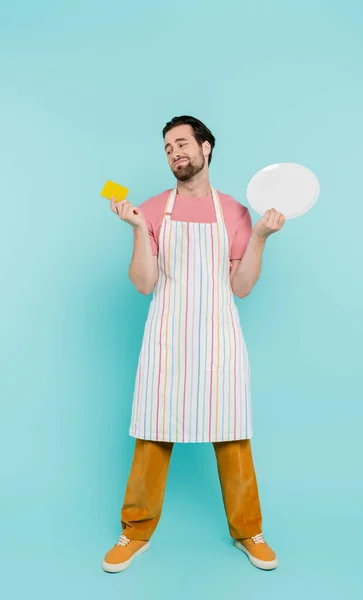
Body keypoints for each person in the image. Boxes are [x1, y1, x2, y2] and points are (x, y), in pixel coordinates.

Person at [102, 116, 286, 573]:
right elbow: (143, 283)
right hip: (167, 338)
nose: (174, 152)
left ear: (206, 147)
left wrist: (260, 237)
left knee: (232, 437)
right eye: (167, 148)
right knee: (152, 436)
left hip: (219, 340)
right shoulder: (150, 209)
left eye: (182, 143)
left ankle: (249, 532)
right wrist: (136, 229)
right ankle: (135, 532)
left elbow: (240, 286)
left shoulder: (237, 213)